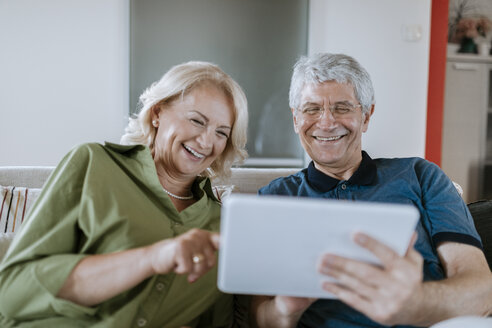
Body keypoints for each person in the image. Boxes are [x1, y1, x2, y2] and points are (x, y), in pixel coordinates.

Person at [0, 61, 248, 327]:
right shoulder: (94, 165)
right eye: (197, 120)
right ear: (157, 113)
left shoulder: (223, 226)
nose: (207, 141)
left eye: (221, 133)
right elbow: (11, 292)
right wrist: (153, 257)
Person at [252, 53, 492, 328]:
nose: (327, 122)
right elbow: (259, 317)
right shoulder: (274, 198)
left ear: (366, 116)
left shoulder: (421, 175)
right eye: (311, 109)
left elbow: (482, 292)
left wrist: (415, 305)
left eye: (342, 107)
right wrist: (287, 309)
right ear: (296, 119)